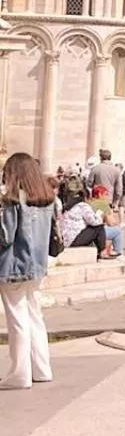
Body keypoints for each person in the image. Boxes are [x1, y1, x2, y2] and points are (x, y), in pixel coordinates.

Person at [0, 153, 56, 389]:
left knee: (17, 319)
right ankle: (41, 369)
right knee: (34, 315)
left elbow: (5, 236)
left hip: (13, 265)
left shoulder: (13, 200)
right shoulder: (46, 199)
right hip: (37, 265)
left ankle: (19, 374)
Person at [59, 187, 114, 260]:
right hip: (73, 241)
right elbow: (95, 222)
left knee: (93, 229)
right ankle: (103, 252)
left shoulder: (70, 206)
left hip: (66, 240)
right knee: (99, 227)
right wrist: (99, 215)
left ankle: (99, 250)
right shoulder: (83, 206)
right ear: (86, 198)